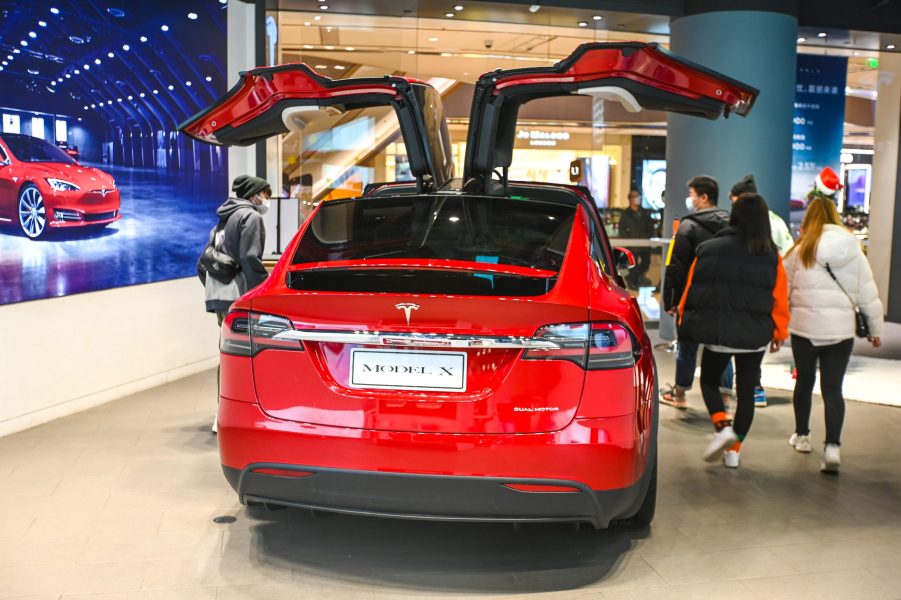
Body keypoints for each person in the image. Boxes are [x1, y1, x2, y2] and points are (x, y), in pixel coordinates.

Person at [678, 193, 790, 468]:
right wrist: (779, 332)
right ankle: (734, 452)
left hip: (719, 333)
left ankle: (722, 426)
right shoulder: (771, 256)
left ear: (734, 215)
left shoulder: (710, 248)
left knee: (708, 381)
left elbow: (692, 289)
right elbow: (780, 297)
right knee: (747, 392)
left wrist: (684, 319)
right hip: (754, 335)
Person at [784, 167, 883, 473]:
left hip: (804, 328)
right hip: (839, 332)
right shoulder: (852, 246)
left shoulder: (798, 250)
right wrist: (875, 329)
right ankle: (833, 449)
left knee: (804, 383)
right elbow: (866, 290)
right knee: (833, 389)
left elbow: (783, 291)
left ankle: (802, 436)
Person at [199, 174, 273, 432]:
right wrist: (262, 294)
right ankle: (237, 414)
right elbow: (250, 259)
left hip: (218, 295)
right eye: (265, 195)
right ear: (254, 195)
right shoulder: (250, 216)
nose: (266, 201)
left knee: (228, 352)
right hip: (240, 296)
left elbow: (202, 264)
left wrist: (215, 288)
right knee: (247, 355)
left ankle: (223, 412)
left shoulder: (222, 219)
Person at [661, 175, 733, 409]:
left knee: (687, 346)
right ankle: (724, 398)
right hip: (724, 298)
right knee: (722, 346)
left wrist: (671, 300)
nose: (689, 199)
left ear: (703, 197)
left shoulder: (688, 226)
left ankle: (680, 394)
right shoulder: (731, 224)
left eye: (692, 194)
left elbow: (677, 266)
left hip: (692, 298)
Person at [729, 173, 794, 407]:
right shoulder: (775, 221)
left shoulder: (747, 224)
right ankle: (751, 387)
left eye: (734, 198)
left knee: (738, 347)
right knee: (752, 348)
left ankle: (748, 388)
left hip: (748, 296)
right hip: (763, 295)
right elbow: (787, 257)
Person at [618, 189, 655, 289]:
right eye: (634, 196)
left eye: (638, 196)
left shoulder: (645, 212)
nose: (637, 198)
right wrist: (628, 239)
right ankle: (632, 282)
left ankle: (631, 278)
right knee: (632, 265)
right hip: (632, 245)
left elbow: (651, 226)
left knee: (646, 263)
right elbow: (622, 228)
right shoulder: (626, 214)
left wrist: (648, 237)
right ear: (630, 199)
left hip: (645, 244)